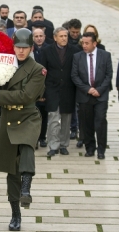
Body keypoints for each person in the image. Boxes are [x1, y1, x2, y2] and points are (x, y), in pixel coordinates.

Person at [0, 29, 46, 232]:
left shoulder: (37, 69)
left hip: (28, 116)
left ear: (31, 48)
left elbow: (26, 96)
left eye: (25, 48)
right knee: (11, 170)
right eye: (18, 47)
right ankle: (15, 213)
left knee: (27, 147)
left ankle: (26, 188)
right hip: (8, 119)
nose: (20, 51)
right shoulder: (5, 65)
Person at [40, 27, 81, 157]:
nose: (64, 38)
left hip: (68, 90)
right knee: (53, 118)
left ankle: (64, 144)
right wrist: (42, 92)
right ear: (55, 37)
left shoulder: (74, 51)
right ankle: (53, 145)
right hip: (52, 89)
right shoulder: (46, 51)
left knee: (66, 119)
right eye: (61, 36)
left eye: (66, 36)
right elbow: (41, 72)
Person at [71, 32, 113, 159]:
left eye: (87, 43)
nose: (84, 45)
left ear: (95, 43)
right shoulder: (77, 57)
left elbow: (108, 75)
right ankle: (90, 148)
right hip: (85, 95)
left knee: (100, 122)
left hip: (100, 96)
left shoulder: (105, 55)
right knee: (86, 123)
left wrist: (99, 90)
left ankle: (101, 149)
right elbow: (74, 76)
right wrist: (88, 89)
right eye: (82, 43)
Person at [31, 27, 48, 149]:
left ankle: (42, 137)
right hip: (32, 89)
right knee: (33, 115)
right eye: (36, 36)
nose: (39, 38)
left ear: (44, 37)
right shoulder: (29, 50)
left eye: (41, 36)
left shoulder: (49, 49)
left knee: (44, 114)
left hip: (46, 88)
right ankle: (34, 138)